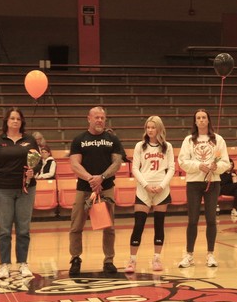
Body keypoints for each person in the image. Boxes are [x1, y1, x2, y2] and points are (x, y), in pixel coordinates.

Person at [67, 107, 124, 276]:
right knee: (76, 226)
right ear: (89, 119)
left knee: (109, 227)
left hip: (106, 189)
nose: (100, 120)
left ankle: (109, 260)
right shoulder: (79, 139)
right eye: (96, 117)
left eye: (102, 118)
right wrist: (91, 179)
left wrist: (102, 177)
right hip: (84, 189)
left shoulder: (112, 139)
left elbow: (117, 163)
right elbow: (75, 164)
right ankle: (75, 258)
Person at [0, 107, 41, 279]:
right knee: (4, 229)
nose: (15, 121)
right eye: (12, 118)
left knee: (23, 228)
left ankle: (23, 263)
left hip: (26, 189)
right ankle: (4, 265)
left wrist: (34, 171)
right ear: (7, 121)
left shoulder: (30, 140)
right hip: (3, 190)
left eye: (18, 118)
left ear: (22, 121)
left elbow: (37, 162)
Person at [178, 109, 230, 268]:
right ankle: (189, 255)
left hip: (212, 183)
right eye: (198, 118)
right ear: (195, 121)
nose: (201, 120)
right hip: (194, 183)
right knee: (192, 219)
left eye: (204, 117)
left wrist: (215, 168)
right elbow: (182, 161)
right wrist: (199, 166)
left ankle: (210, 254)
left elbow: (225, 162)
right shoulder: (188, 140)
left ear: (208, 120)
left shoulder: (218, 139)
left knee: (211, 219)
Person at [129, 115, 175, 273]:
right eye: (148, 127)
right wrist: (146, 185)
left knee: (159, 224)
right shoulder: (139, 146)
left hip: (161, 190)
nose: (150, 130)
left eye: (153, 127)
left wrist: (162, 185)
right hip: (144, 190)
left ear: (159, 129)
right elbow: (135, 168)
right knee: (139, 224)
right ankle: (132, 260)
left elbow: (172, 168)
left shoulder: (167, 146)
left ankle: (156, 258)